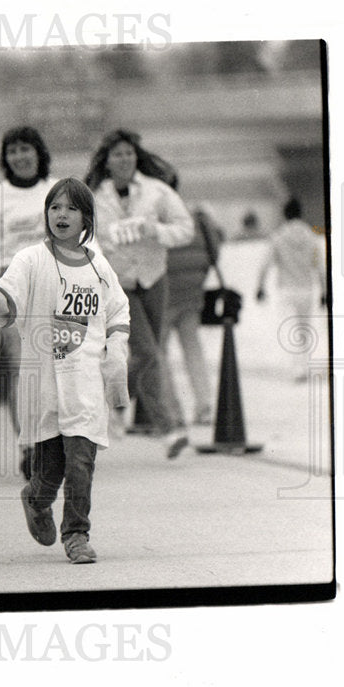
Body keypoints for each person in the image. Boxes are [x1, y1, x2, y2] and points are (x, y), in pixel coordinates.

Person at [0, 177, 130, 564]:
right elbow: (5, 304)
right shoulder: (30, 260)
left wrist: (117, 351)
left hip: (86, 384)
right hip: (44, 384)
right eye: (55, 207)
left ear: (86, 219)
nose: (62, 214)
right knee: (50, 471)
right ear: (46, 214)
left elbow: (118, 310)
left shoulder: (98, 265)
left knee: (81, 462)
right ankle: (35, 499)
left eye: (72, 208)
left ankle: (76, 533)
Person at [85, 128, 193, 458]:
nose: (125, 159)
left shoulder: (157, 191)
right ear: (107, 160)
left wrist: (154, 230)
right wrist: (102, 252)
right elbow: (83, 238)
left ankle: (134, 414)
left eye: (130, 153)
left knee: (151, 353)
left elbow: (185, 229)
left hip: (153, 278)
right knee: (146, 351)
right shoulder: (92, 196)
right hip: (117, 283)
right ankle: (155, 421)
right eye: (118, 154)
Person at [0, 126, 56, 479]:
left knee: (55, 371)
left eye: (26, 149)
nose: (20, 156)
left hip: (54, 285)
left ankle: (53, 442)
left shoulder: (55, 190)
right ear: (5, 158)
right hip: (11, 289)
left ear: (38, 152)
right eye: (13, 151)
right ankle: (29, 445)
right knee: (20, 370)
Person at [163, 203, 225, 426]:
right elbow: (213, 253)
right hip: (192, 295)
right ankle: (204, 405)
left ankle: (172, 411)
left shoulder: (158, 219)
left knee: (160, 352)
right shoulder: (198, 222)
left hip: (165, 297)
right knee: (193, 349)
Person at [255, 196, 327, 381]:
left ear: (285, 214)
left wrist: (260, 286)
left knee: (291, 330)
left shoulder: (279, 236)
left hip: (287, 289)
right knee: (304, 330)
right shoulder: (310, 236)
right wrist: (325, 291)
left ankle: (297, 369)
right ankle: (304, 365)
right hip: (307, 289)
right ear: (300, 213)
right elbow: (320, 266)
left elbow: (266, 264)